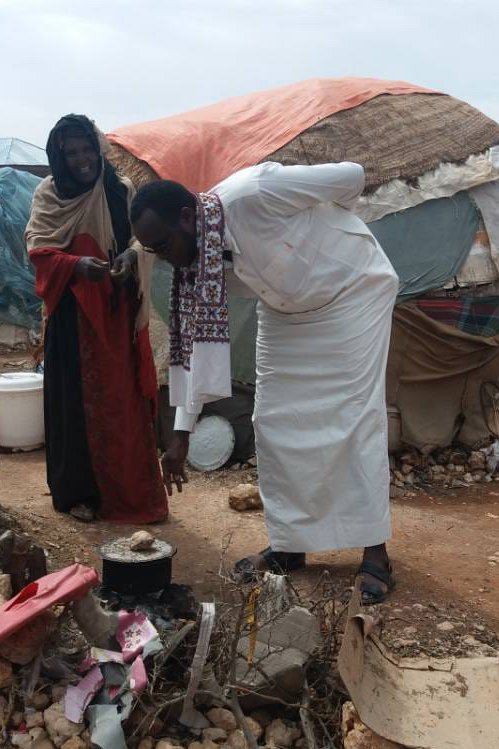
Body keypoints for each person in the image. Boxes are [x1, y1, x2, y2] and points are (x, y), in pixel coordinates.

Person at [119, 161, 399, 603]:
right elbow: (192, 346)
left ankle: (375, 551)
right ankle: (290, 545)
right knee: (272, 420)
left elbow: (353, 177)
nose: (164, 257)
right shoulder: (197, 264)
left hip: (351, 290)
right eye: (152, 250)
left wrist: (326, 227)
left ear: (189, 217)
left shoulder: (256, 192)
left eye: (163, 244)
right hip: (286, 310)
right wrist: (180, 433)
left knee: (354, 418)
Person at [25, 114, 167, 524]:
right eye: (72, 153)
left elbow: (143, 236)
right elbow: (38, 248)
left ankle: (130, 492)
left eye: (88, 149)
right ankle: (80, 495)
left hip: (116, 310)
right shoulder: (48, 195)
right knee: (75, 406)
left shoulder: (118, 188)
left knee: (122, 401)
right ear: (59, 155)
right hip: (71, 316)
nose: (82, 159)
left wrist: (132, 254)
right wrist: (74, 265)